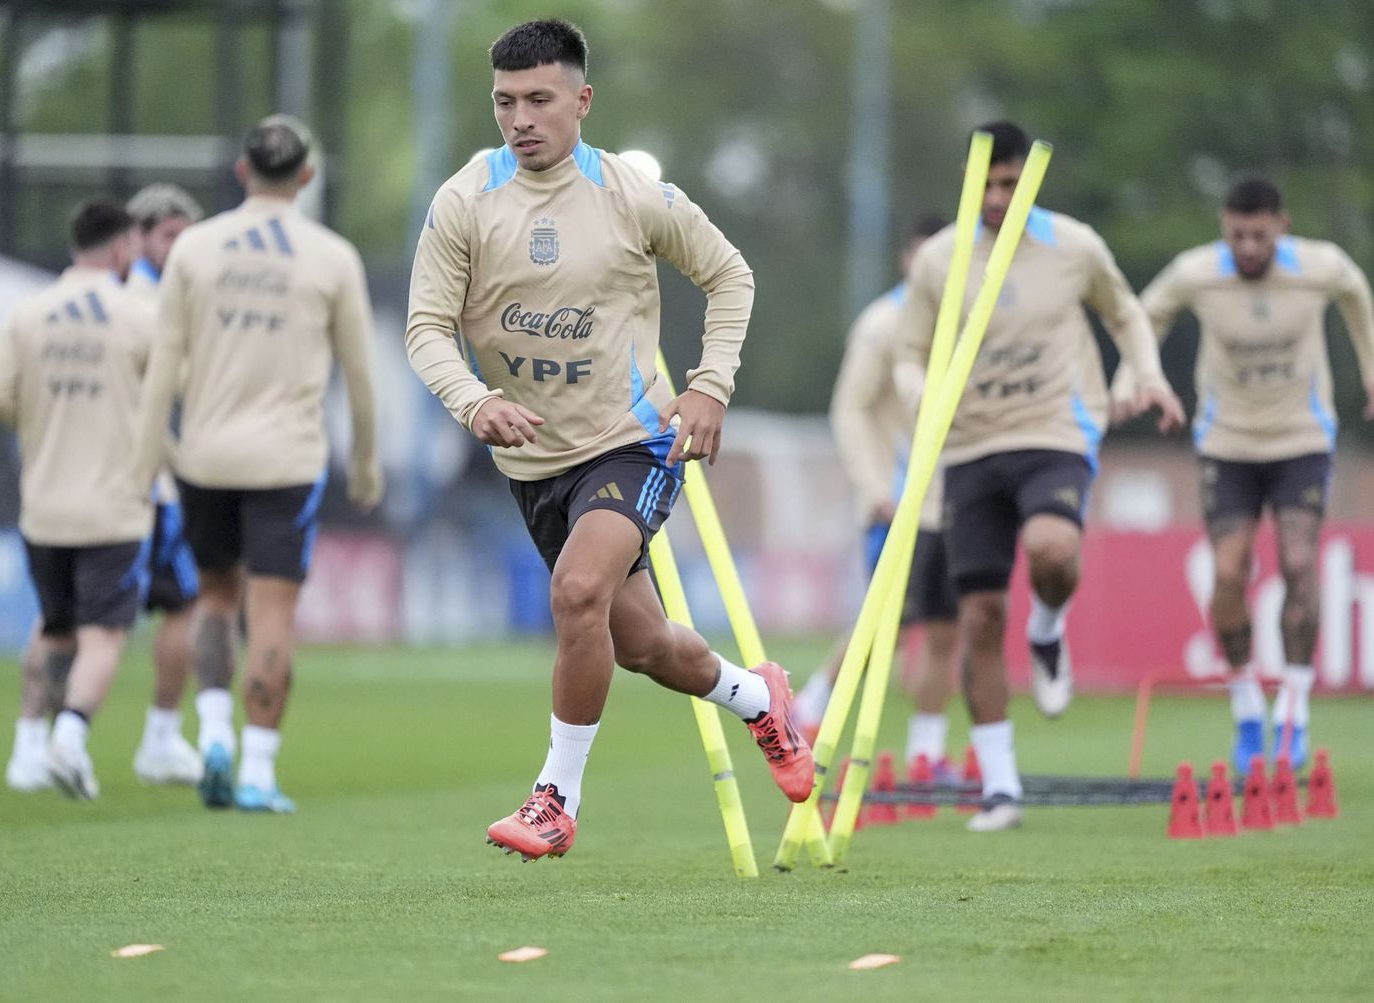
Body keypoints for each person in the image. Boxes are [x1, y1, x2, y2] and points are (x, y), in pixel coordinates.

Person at [405, 19, 812, 863]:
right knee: (645, 647)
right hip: (531, 464)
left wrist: (709, 385)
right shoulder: (464, 201)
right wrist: (473, 401)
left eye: (540, 100)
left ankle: (555, 798)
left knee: (575, 590)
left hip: (634, 440)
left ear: (582, 102)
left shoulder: (631, 194)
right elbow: (425, 331)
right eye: (505, 102)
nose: (520, 118)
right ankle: (756, 695)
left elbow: (730, 273)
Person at [899, 121, 1185, 831]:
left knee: (1056, 549)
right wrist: (920, 399)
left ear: (1031, 179)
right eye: (986, 185)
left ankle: (1050, 628)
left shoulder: (1076, 246)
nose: (998, 198)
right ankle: (1001, 787)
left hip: (1055, 431)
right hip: (968, 447)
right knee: (979, 616)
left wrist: (1144, 372)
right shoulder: (939, 259)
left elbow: (1128, 314)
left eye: (1010, 183)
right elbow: (907, 353)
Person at [133, 115, 383, 814]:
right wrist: (366, 461)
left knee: (214, 597)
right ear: (306, 177)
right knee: (271, 613)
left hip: (204, 456)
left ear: (242, 172)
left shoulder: (194, 249)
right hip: (286, 460)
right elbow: (359, 375)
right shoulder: (332, 256)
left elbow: (161, 367)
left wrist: (146, 456)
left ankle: (212, 731)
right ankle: (258, 771)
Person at [1135, 175, 1374, 772]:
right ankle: (1246, 707)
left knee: (1298, 562)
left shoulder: (1321, 266)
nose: (1247, 247)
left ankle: (1293, 709)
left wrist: (1371, 369)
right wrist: (1140, 377)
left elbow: (1356, 293)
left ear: (1281, 227)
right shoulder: (1196, 272)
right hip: (1227, 443)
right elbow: (1142, 315)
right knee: (1228, 570)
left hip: (1301, 438)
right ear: (1224, 227)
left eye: (1259, 236)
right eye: (1237, 235)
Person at [0, 199, 155, 800]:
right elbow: (170, 393)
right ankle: (70, 740)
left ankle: (26, 747)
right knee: (103, 634)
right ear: (120, 248)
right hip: (113, 504)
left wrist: (37, 428)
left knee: (54, 627)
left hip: (45, 502)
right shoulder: (139, 315)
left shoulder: (28, 313)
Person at [794, 216, 964, 778]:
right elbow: (850, 408)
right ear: (907, 259)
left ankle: (927, 753)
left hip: (959, 498)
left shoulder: (970, 319)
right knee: (884, 625)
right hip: (900, 499)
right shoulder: (883, 324)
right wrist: (873, 486)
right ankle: (807, 712)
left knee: (946, 628)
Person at [124, 182, 207, 786]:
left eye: (185, 236)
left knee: (73, 617)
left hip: (108, 479)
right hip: (153, 483)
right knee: (183, 606)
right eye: (167, 236)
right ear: (140, 237)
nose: (177, 247)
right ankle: (160, 735)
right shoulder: (151, 306)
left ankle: (43, 738)